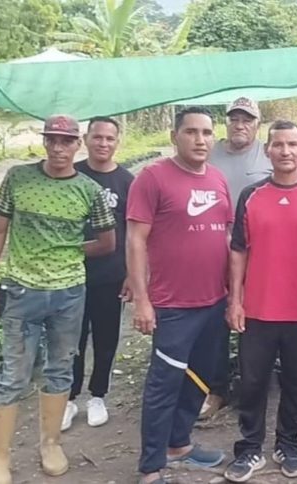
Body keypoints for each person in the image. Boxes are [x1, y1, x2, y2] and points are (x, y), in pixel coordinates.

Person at [0, 114, 116, 484]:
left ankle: (51, 443)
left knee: (61, 368)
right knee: (13, 374)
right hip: (22, 291)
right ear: (44, 142)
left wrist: (68, 249)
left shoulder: (89, 190)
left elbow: (107, 242)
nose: (58, 147)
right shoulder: (18, 178)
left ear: (77, 145)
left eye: (66, 141)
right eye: (52, 139)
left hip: (69, 293)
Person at [129, 107, 233, 484]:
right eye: (191, 132)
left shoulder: (218, 178)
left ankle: (179, 443)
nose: (200, 140)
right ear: (175, 136)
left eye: (206, 132)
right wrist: (142, 300)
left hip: (214, 301)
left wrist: (234, 294)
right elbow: (135, 240)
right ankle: (151, 466)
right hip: (173, 305)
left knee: (200, 377)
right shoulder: (153, 177)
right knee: (164, 384)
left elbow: (226, 237)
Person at [222, 120, 297, 483]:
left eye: (292, 144)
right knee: (252, 384)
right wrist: (235, 301)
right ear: (267, 150)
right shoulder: (251, 195)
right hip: (257, 311)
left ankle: (289, 444)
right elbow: (238, 251)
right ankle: (249, 448)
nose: (285, 151)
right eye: (278, 145)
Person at [201, 96, 273, 420]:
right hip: (213, 251)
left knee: (253, 318)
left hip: (258, 253)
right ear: (226, 122)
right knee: (217, 319)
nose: (240, 125)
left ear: (257, 124)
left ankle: (253, 382)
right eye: (234, 119)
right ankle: (216, 388)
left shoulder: (267, 154)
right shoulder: (210, 153)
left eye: (247, 120)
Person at [63, 116, 134, 431]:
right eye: (98, 137)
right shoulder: (72, 174)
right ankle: (69, 397)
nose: (103, 143)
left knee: (106, 337)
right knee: (71, 338)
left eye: (109, 138)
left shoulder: (126, 181)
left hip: (111, 274)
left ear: (117, 142)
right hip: (70, 273)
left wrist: (131, 274)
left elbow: (133, 232)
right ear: (86, 139)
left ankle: (98, 395)